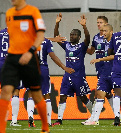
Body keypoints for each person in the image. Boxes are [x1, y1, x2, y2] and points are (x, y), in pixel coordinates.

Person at [0, 0, 49, 132]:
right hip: (11, 58)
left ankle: (45, 126)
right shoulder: (9, 13)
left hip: (29, 56)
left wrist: (31, 50)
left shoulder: (33, 12)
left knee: (36, 93)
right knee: (5, 91)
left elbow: (40, 34)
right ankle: (1, 128)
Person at [86, 24, 121, 125]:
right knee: (99, 95)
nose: (103, 33)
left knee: (120, 96)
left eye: (105, 31)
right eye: (102, 31)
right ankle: (95, 120)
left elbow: (115, 56)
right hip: (105, 72)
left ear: (111, 32)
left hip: (116, 72)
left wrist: (99, 59)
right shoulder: (102, 43)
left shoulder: (117, 42)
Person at [82, 16, 121, 125]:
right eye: (97, 22)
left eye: (101, 22)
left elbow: (116, 55)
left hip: (111, 69)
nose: (99, 24)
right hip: (100, 69)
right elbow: (91, 51)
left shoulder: (112, 38)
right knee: (107, 94)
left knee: (104, 93)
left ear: (106, 25)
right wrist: (82, 46)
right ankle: (117, 116)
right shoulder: (96, 37)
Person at [52, 13, 93, 126]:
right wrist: (57, 23)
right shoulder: (67, 45)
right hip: (67, 76)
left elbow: (88, 39)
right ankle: (59, 120)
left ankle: (94, 117)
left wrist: (84, 26)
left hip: (78, 76)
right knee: (62, 97)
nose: (72, 36)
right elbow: (56, 37)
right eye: (71, 34)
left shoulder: (82, 46)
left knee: (83, 98)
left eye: (74, 35)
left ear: (79, 37)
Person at [27, 37, 75, 127]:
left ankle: (30, 117)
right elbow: (53, 56)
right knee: (46, 96)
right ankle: (48, 122)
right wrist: (64, 67)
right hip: (43, 69)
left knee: (30, 94)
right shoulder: (46, 41)